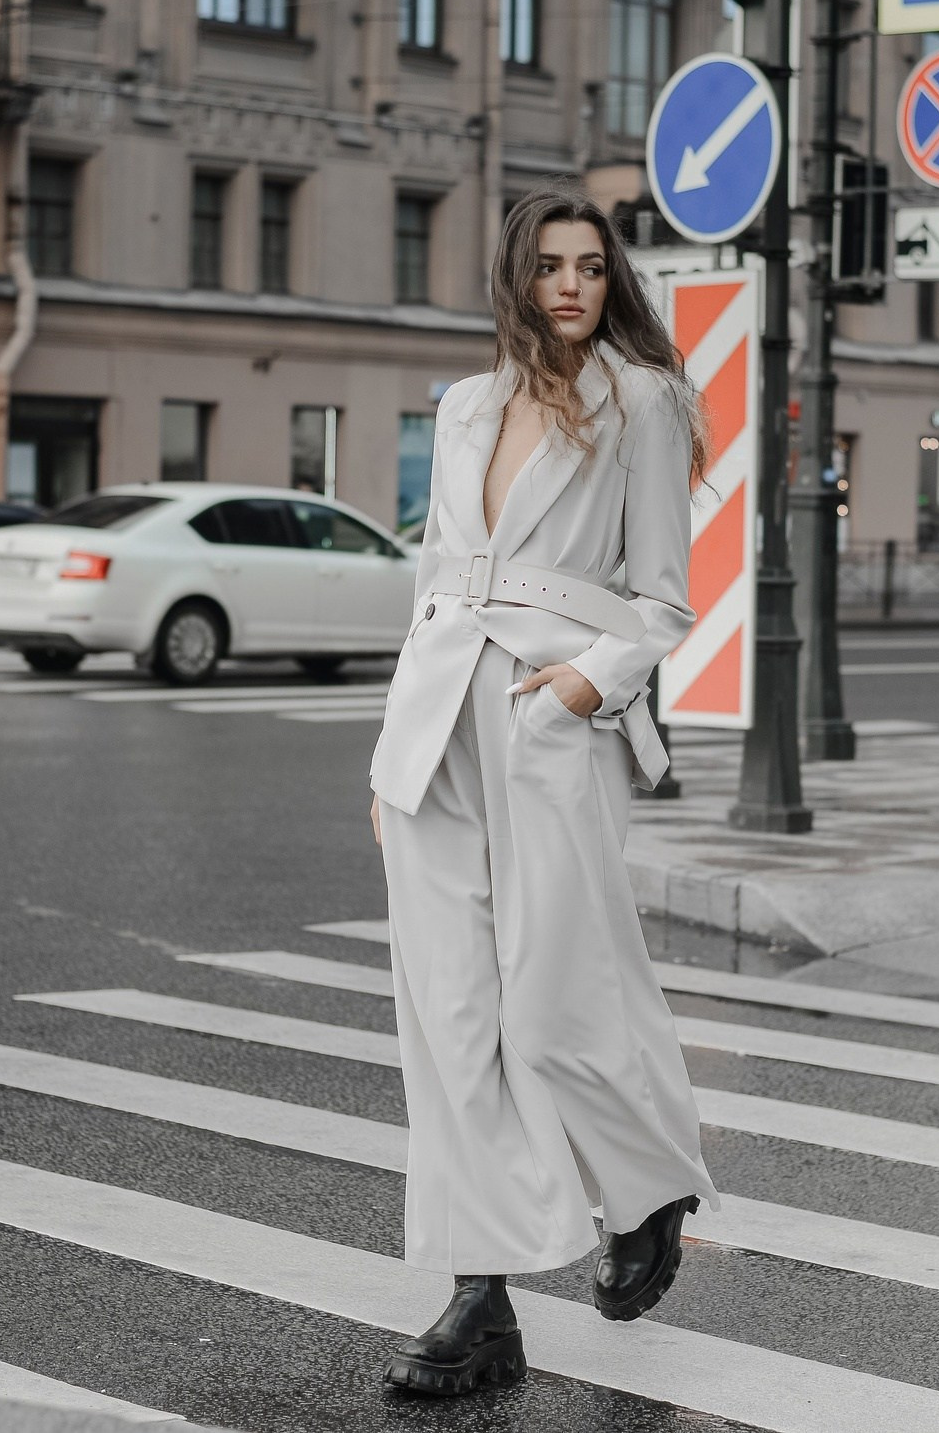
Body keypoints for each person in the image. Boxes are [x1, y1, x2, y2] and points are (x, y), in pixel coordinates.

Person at [366, 188, 719, 1397]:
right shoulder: (464, 405)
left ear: (611, 280)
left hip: (541, 720)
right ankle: (481, 1292)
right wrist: (388, 755)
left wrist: (583, 687)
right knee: (450, 1018)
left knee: (558, 993)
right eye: (549, 266)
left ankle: (647, 1180)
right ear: (516, 280)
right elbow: (431, 582)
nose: (570, 284)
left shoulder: (647, 402)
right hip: (434, 734)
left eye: (590, 266)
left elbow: (666, 596)